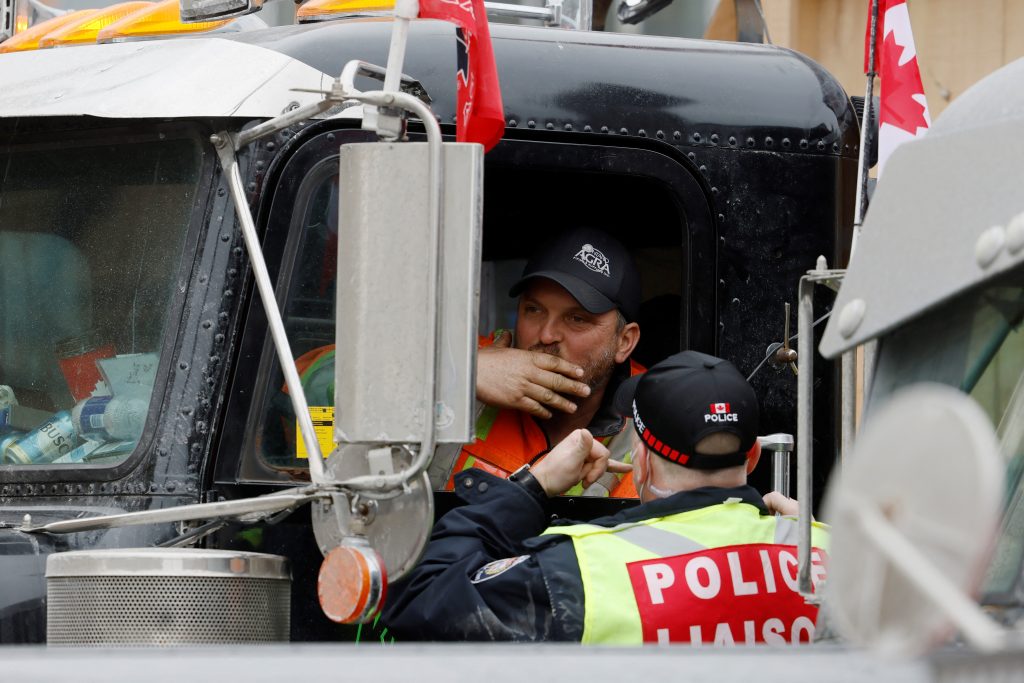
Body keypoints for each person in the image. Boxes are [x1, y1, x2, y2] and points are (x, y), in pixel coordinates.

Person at [382, 350, 830, 643]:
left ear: (643, 464)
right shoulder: (843, 558)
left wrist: (532, 488)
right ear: (753, 455)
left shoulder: (580, 571)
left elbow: (420, 601)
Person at [442, 227, 644, 497]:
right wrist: (462, 375)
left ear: (625, 341)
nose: (547, 335)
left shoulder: (655, 414)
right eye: (534, 310)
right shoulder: (461, 359)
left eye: (577, 319)